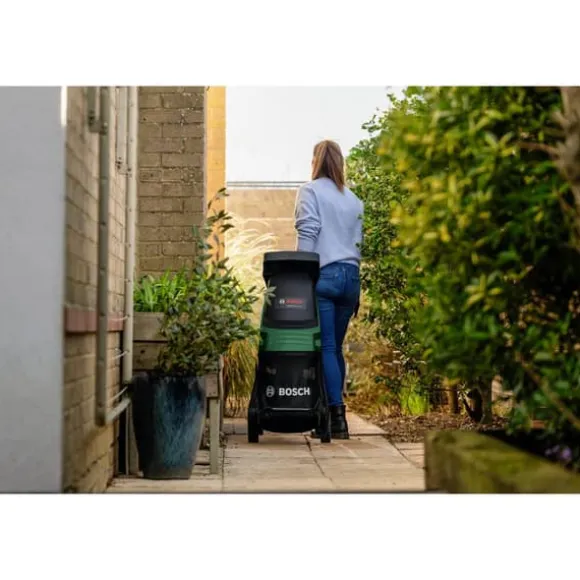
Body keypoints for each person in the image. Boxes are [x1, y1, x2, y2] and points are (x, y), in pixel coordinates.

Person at [294, 139, 364, 439]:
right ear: (340, 162)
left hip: (324, 276)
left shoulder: (310, 191)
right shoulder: (354, 199)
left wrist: (300, 274)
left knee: (325, 348)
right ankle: (336, 418)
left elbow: (308, 231)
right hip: (351, 278)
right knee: (335, 349)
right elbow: (358, 244)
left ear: (315, 161)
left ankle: (334, 417)